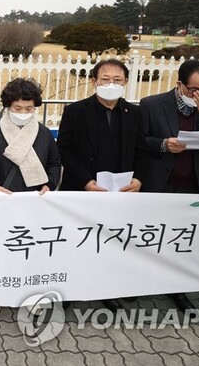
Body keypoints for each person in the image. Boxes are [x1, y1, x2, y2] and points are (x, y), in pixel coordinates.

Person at [139, 59, 199, 312]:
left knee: (182, 239)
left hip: (195, 187)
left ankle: (177, 288)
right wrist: (163, 144)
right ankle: (142, 281)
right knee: (152, 235)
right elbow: (140, 141)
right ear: (180, 84)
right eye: (194, 90)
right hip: (159, 184)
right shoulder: (152, 105)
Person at [57, 59, 145, 312]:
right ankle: (68, 288)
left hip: (118, 193)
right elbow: (63, 149)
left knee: (109, 241)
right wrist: (85, 181)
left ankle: (104, 288)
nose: (111, 84)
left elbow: (142, 150)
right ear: (95, 80)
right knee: (75, 240)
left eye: (117, 80)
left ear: (126, 82)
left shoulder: (134, 113)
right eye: (105, 79)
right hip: (81, 188)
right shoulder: (75, 111)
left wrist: (138, 179)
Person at [0, 78, 61, 316]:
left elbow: (54, 163)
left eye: (29, 108)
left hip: (33, 203)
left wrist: (50, 184)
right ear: (7, 106)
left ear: (36, 107)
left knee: (29, 252)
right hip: (2, 202)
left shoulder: (43, 133)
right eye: (18, 108)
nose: (23, 113)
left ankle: (29, 296)